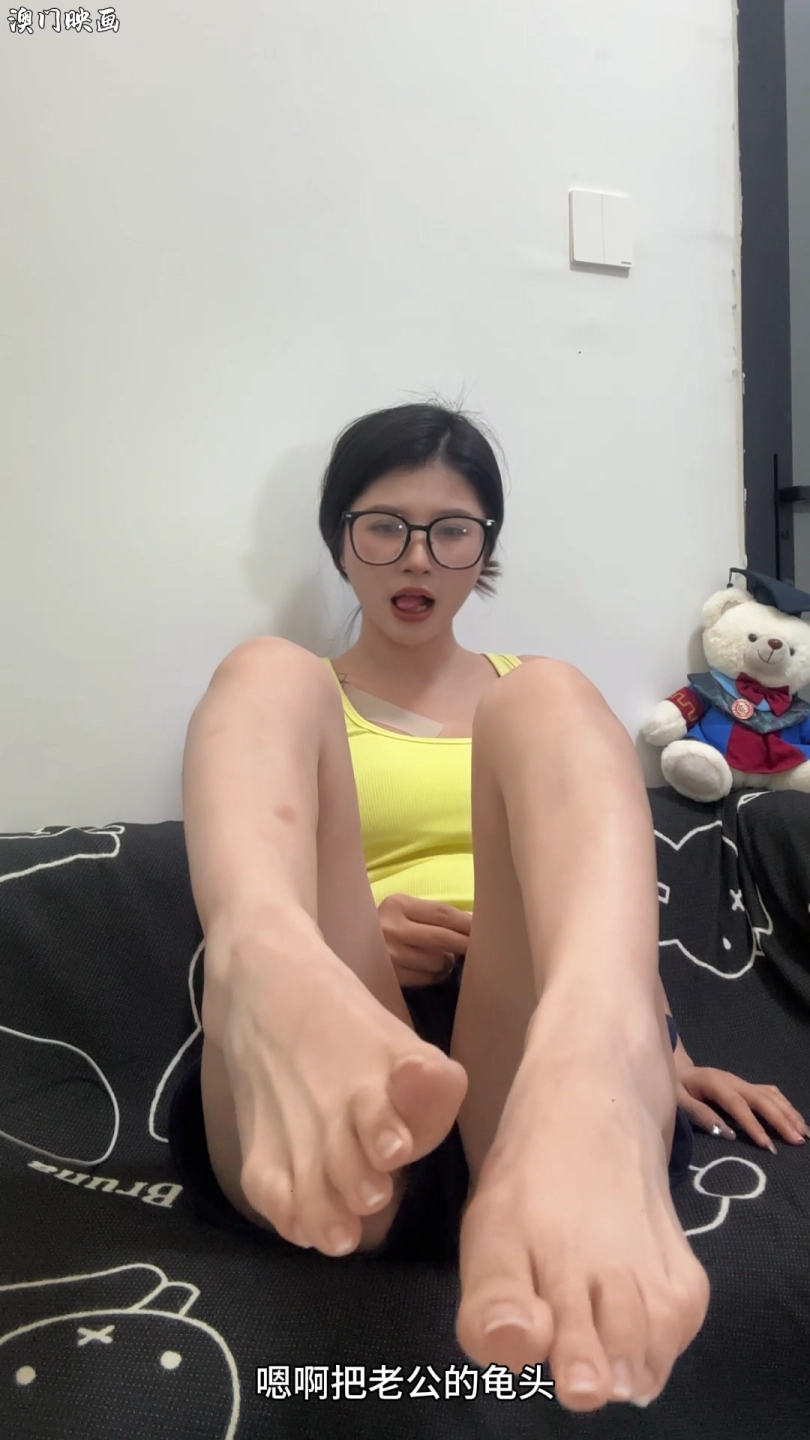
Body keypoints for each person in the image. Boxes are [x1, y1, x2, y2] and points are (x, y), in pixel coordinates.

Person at [171, 401, 804, 1414]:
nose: (417, 558)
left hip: (531, 1059)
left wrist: (668, 1055)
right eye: (385, 526)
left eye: (451, 531)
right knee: (266, 671)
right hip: (337, 1054)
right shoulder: (305, 706)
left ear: (485, 550)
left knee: (548, 695)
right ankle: (263, 967)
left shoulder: (531, 699)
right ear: (341, 538)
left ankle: (602, 1058)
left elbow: (592, 896)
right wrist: (348, 937)